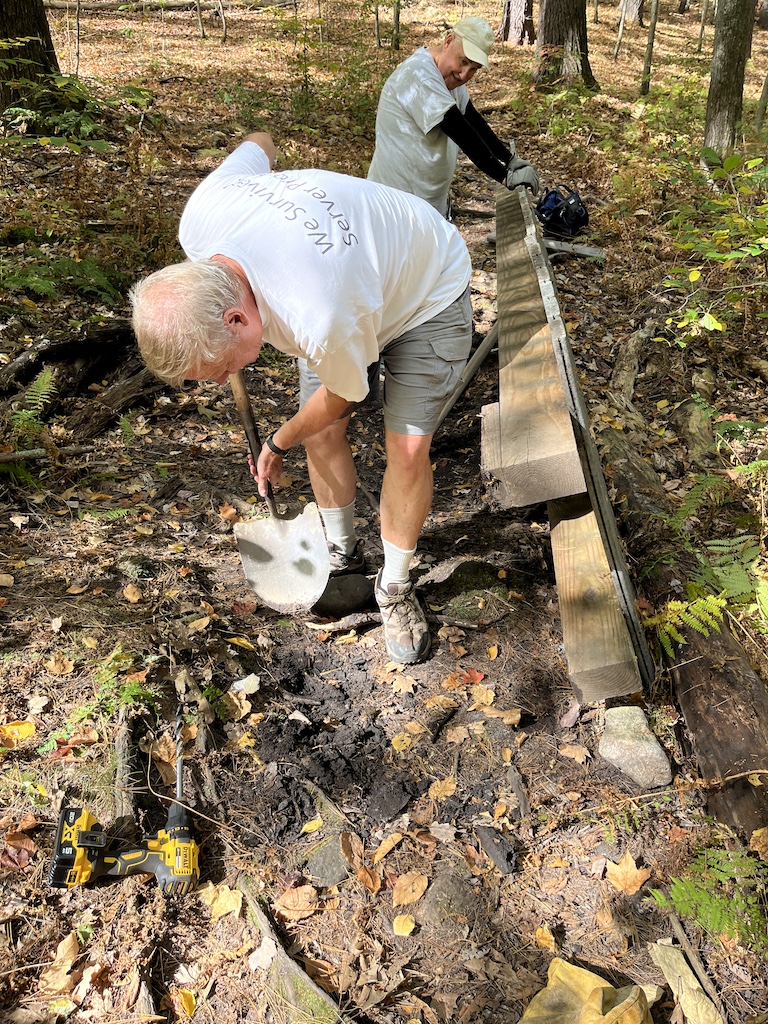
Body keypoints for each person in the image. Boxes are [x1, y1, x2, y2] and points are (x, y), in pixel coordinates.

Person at [130, 132, 473, 666]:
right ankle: (341, 550)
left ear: (236, 318)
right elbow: (260, 142)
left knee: (407, 448)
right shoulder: (202, 220)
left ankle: (394, 587)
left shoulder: (317, 312)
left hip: (425, 288)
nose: (221, 382)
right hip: (354, 281)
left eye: (220, 369)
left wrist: (277, 441)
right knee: (322, 433)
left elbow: (344, 396)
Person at [367, 16, 539, 218]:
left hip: (423, 205)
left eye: (474, 68)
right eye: (463, 61)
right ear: (448, 41)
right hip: (395, 205)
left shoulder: (448, 79)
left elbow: (473, 120)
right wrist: (504, 177)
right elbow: (461, 131)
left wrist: (509, 160)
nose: (464, 75)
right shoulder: (420, 75)